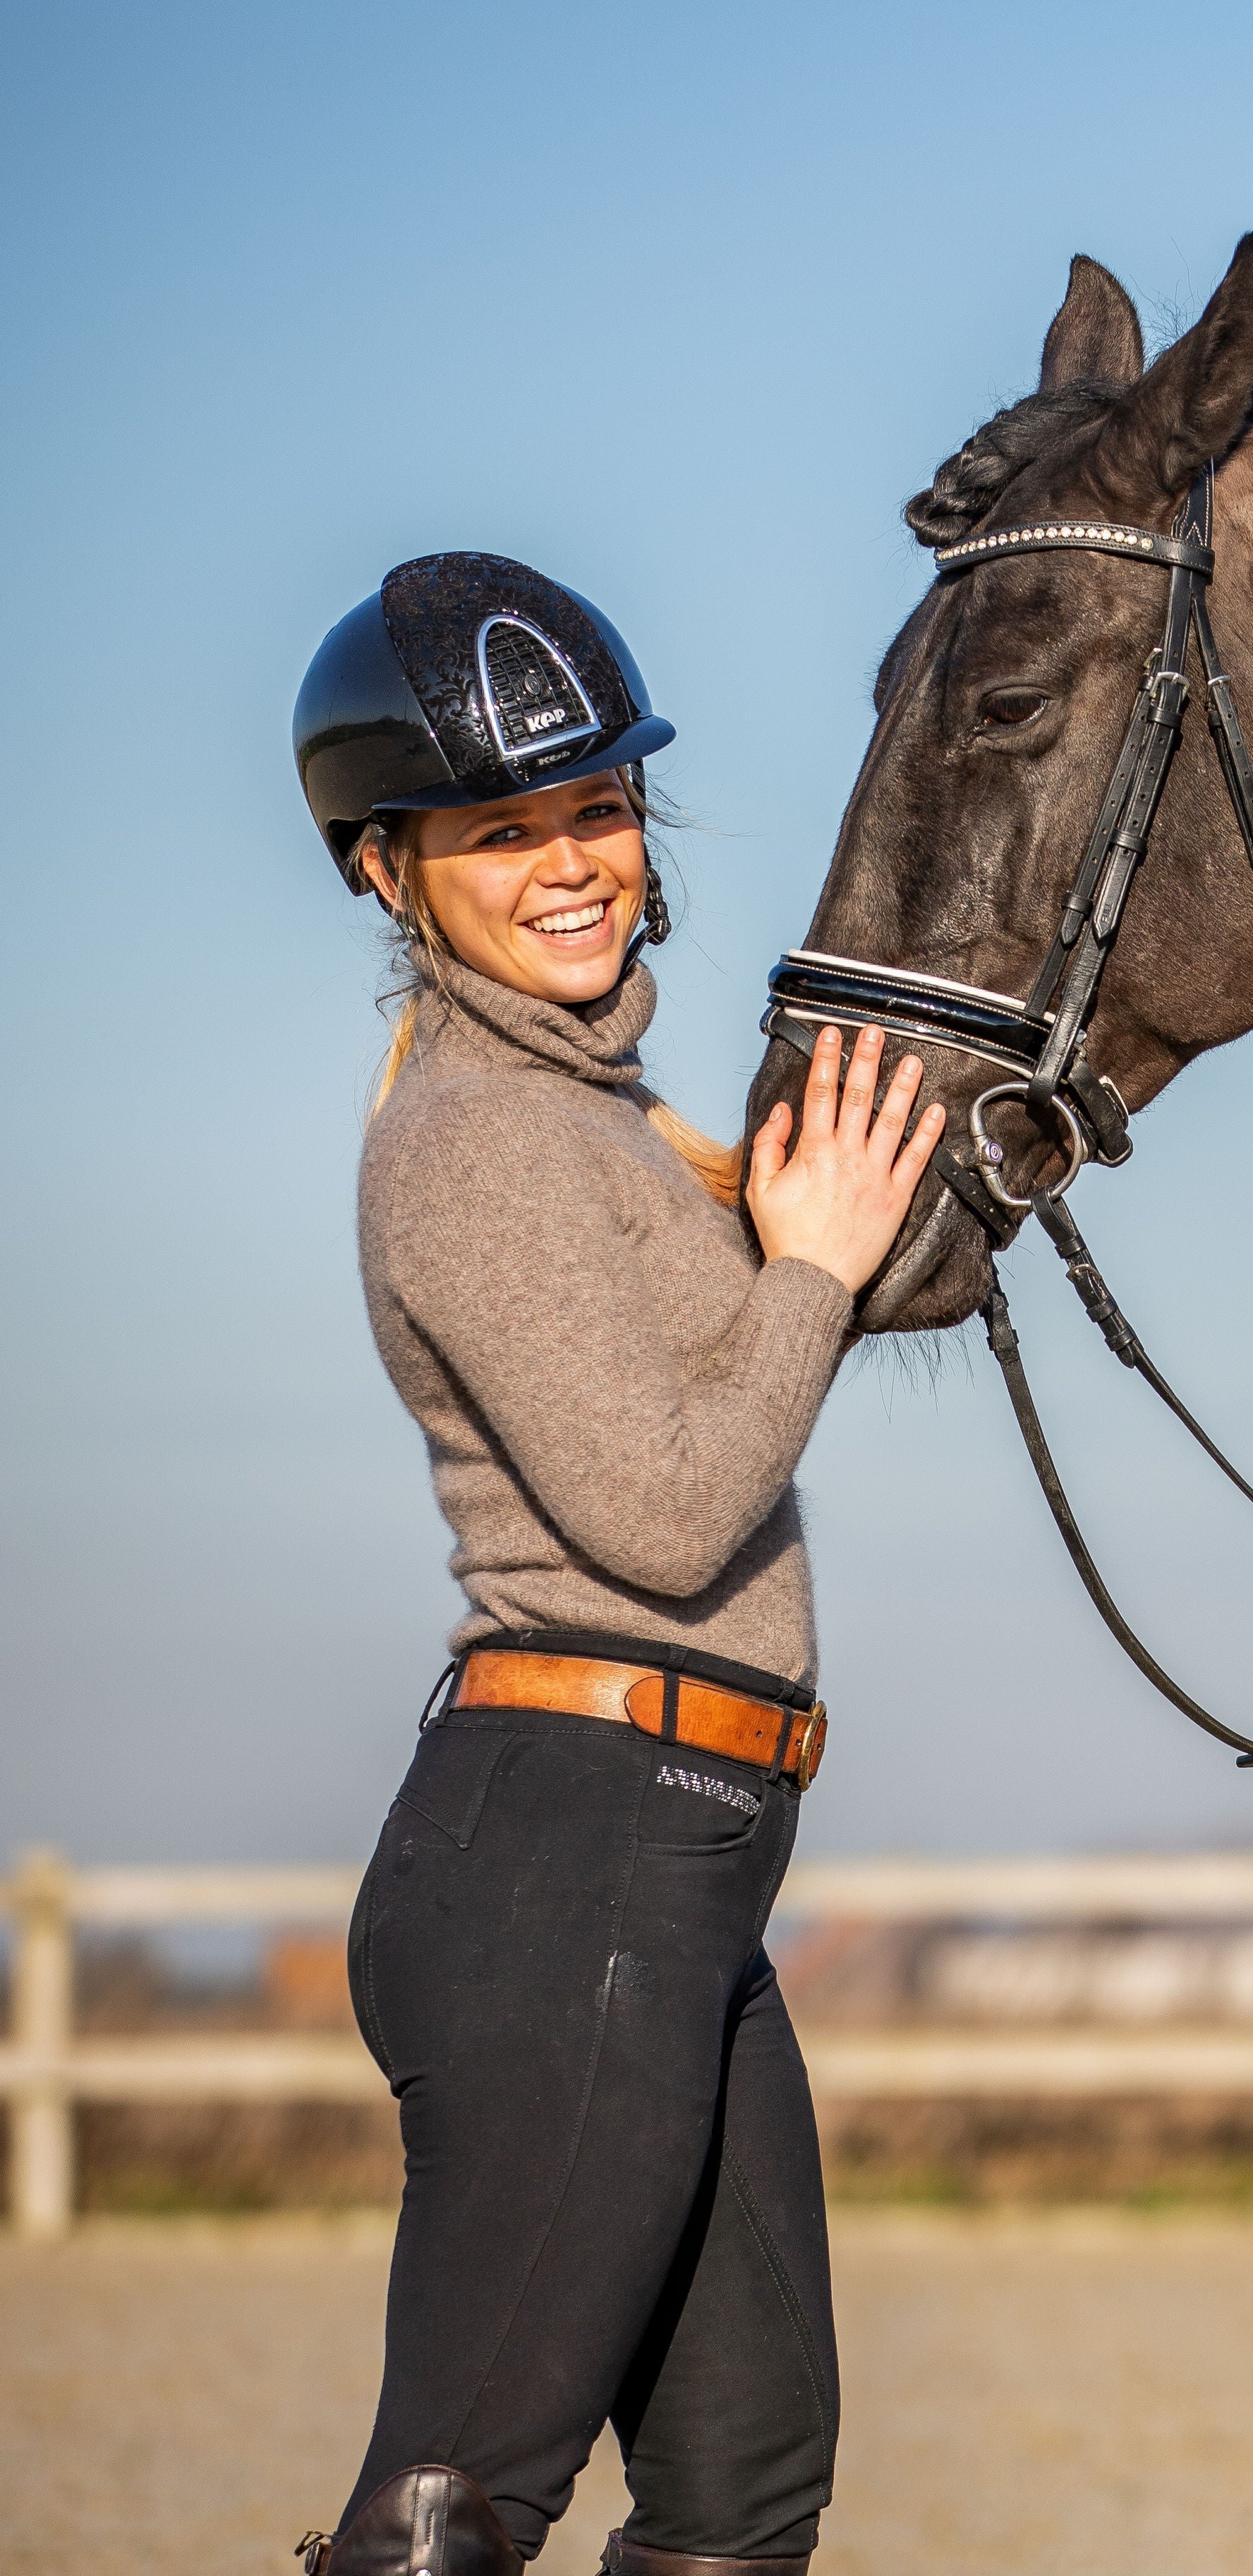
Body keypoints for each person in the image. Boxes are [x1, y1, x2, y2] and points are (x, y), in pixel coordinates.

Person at [289, 554, 944, 2575]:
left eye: (596, 807)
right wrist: (812, 1262)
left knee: (743, 2494)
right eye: (502, 830)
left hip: (678, 1863)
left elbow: (811, 1306)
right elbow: (667, 1515)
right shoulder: (479, 1136)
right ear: (394, 872)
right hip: (565, 1852)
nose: (569, 861)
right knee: (455, 2506)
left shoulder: (611, 1125)